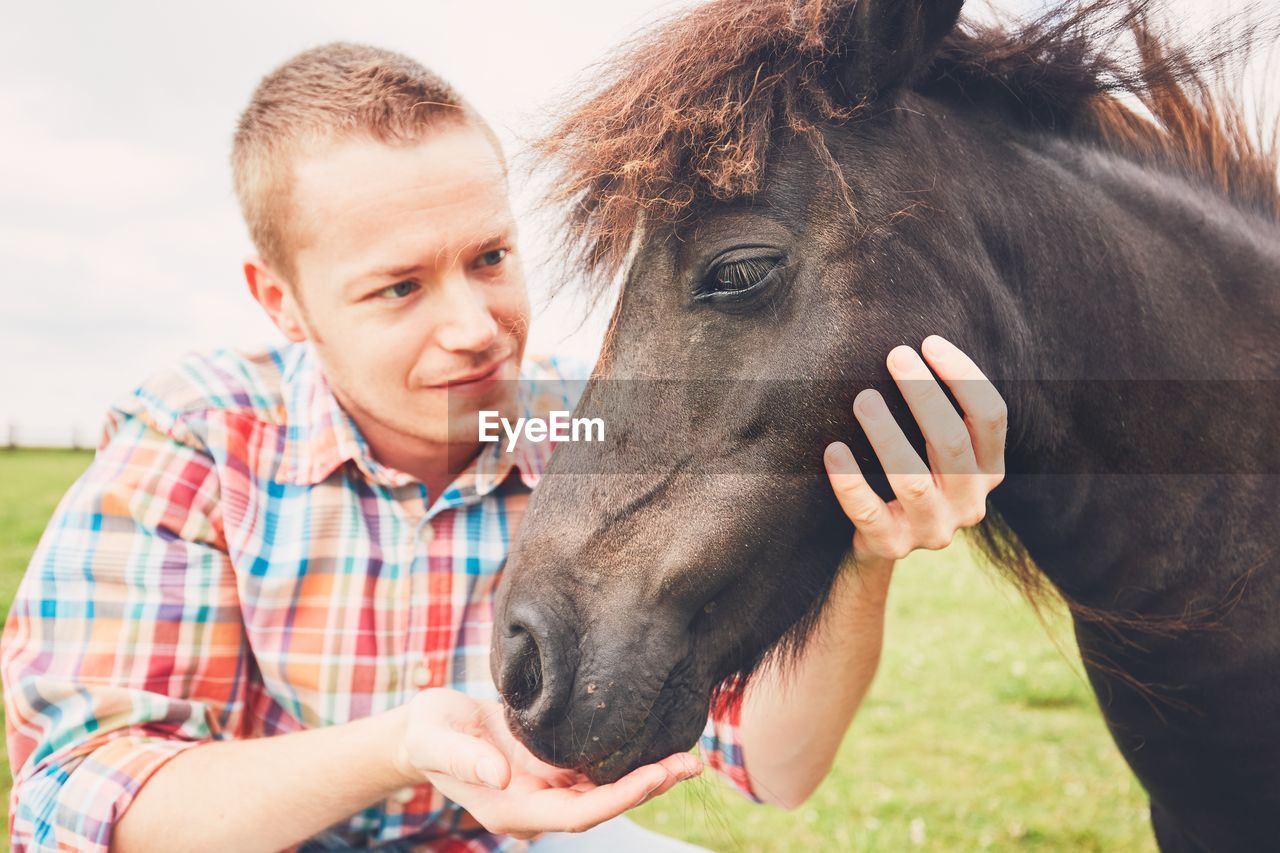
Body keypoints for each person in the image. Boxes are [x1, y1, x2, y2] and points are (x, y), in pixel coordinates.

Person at [1, 43, 1008, 852]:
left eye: (490, 258)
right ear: (282, 302)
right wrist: (402, 748)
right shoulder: (199, 437)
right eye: (400, 286)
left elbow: (772, 767)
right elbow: (82, 801)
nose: (475, 326)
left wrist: (864, 559)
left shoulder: (596, 425)